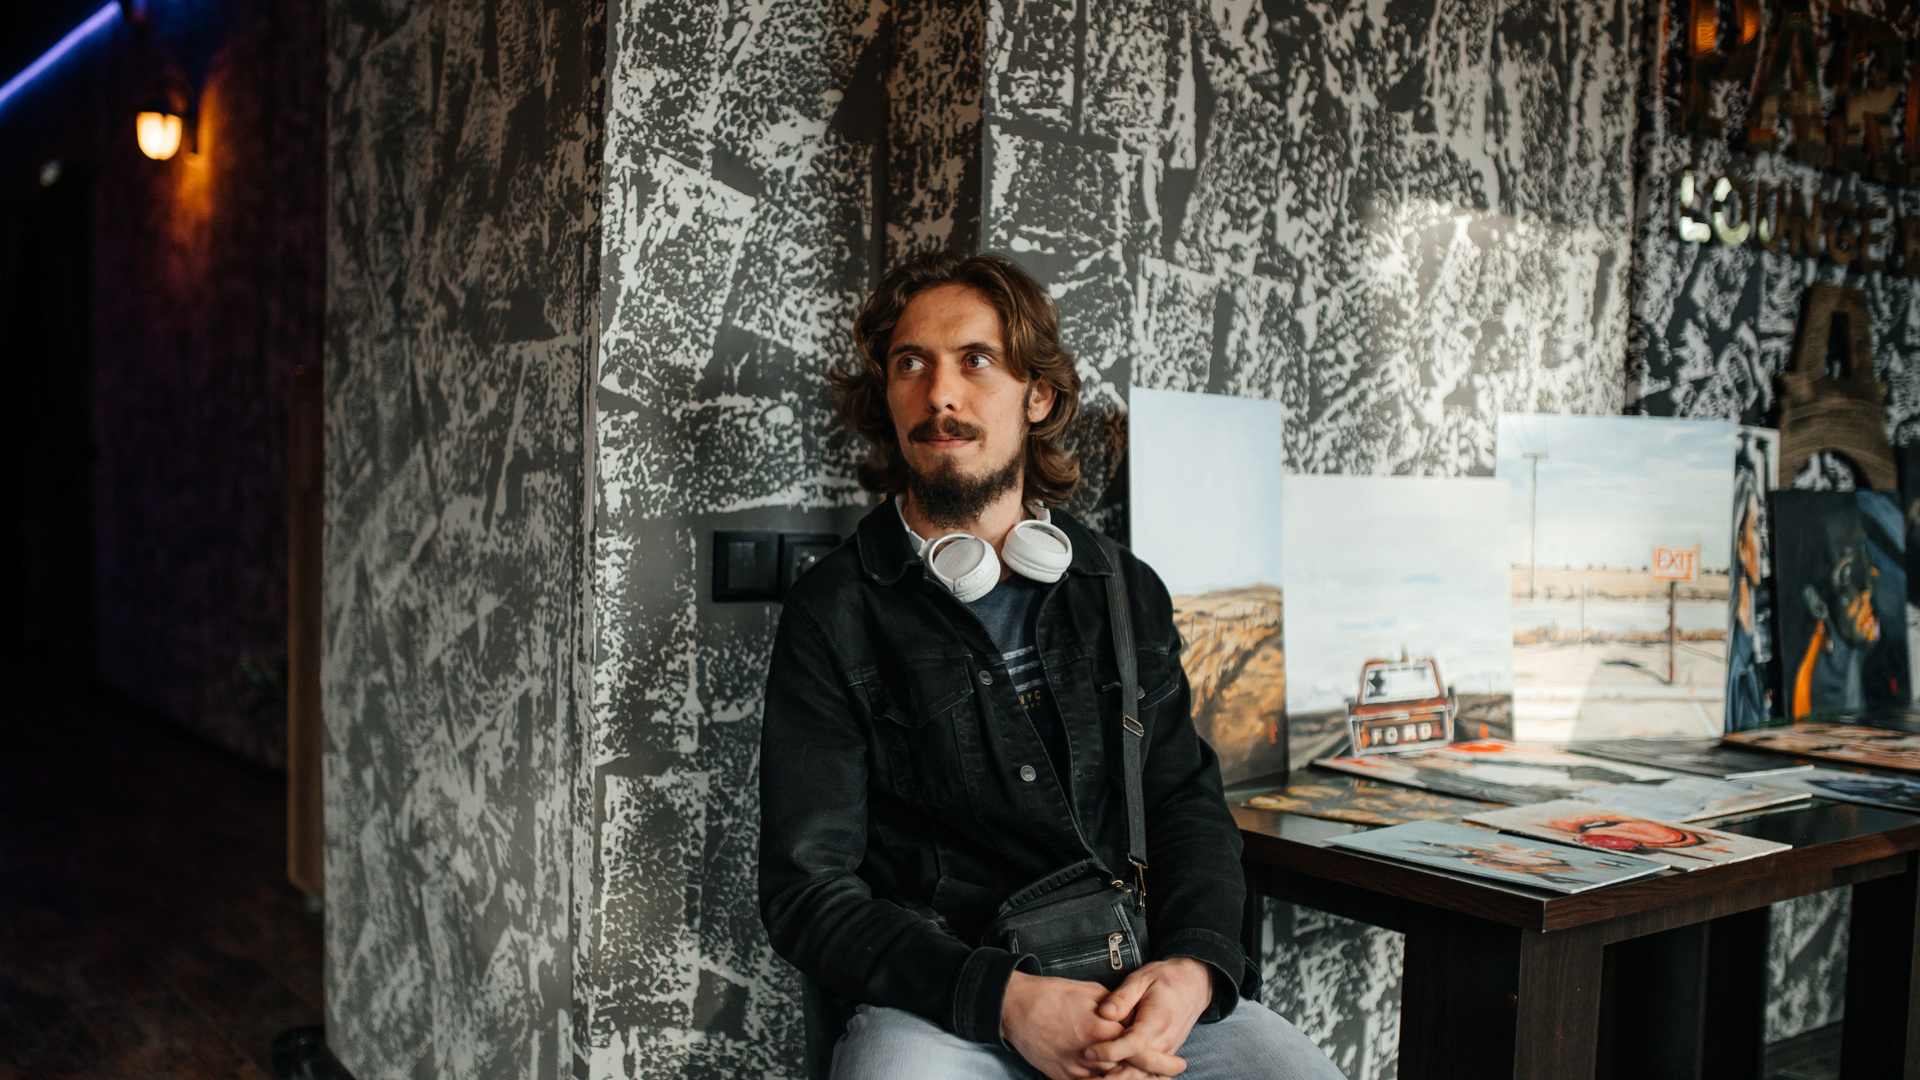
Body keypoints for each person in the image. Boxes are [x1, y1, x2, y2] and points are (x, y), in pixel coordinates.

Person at [758, 251, 1343, 1080]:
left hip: (1134, 976)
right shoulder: (834, 611)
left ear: (1037, 395)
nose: (940, 394)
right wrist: (1006, 1001)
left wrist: (1193, 969)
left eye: (976, 360)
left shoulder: (1122, 589)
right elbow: (806, 892)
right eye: (911, 364)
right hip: (947, 1003)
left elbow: (1184, 805)